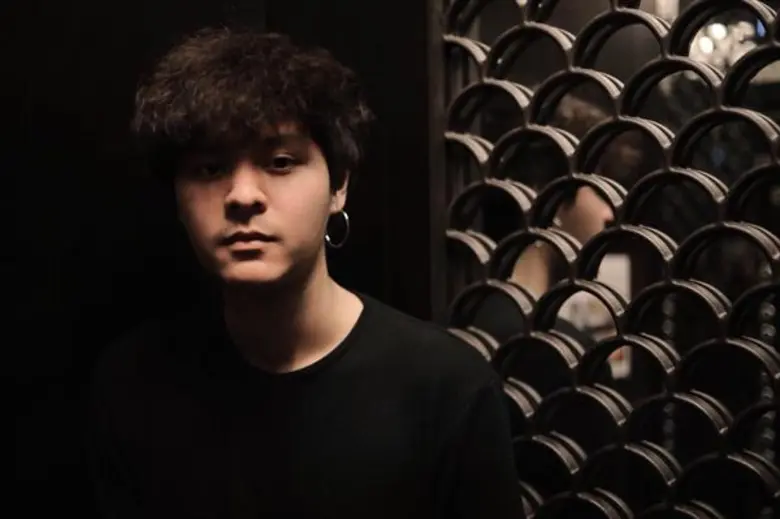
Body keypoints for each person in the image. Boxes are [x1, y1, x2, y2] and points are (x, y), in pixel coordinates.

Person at [87, 28, 524, 519]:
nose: (242, 196)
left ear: (338, 185)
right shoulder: (135, 382)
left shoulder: (445, 388)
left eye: (280, 162)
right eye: (210, 169)